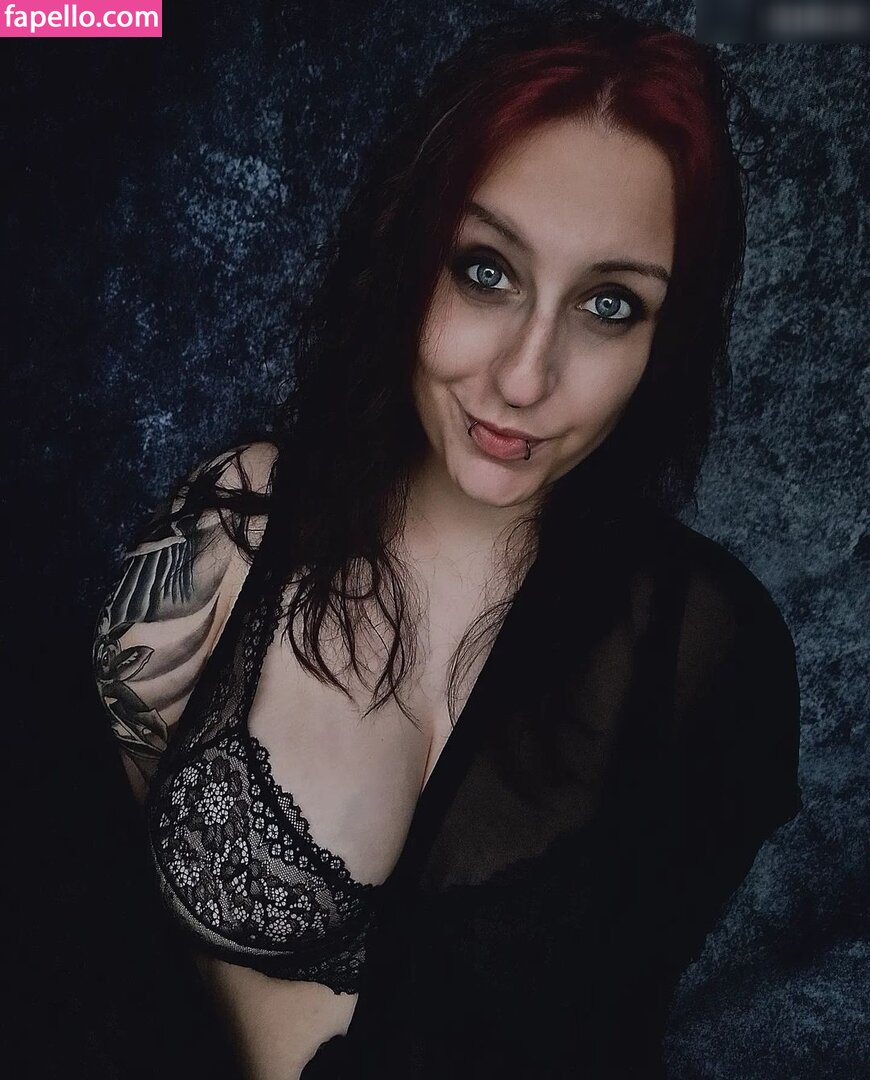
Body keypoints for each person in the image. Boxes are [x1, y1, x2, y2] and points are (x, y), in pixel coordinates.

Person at [92, 3, 803, 1077]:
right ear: (410, 251)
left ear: (668, 337)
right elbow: (114, 873)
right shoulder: (235, 526)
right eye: (486, 270)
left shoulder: (707, 655)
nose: (524, 377)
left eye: (610, 305)